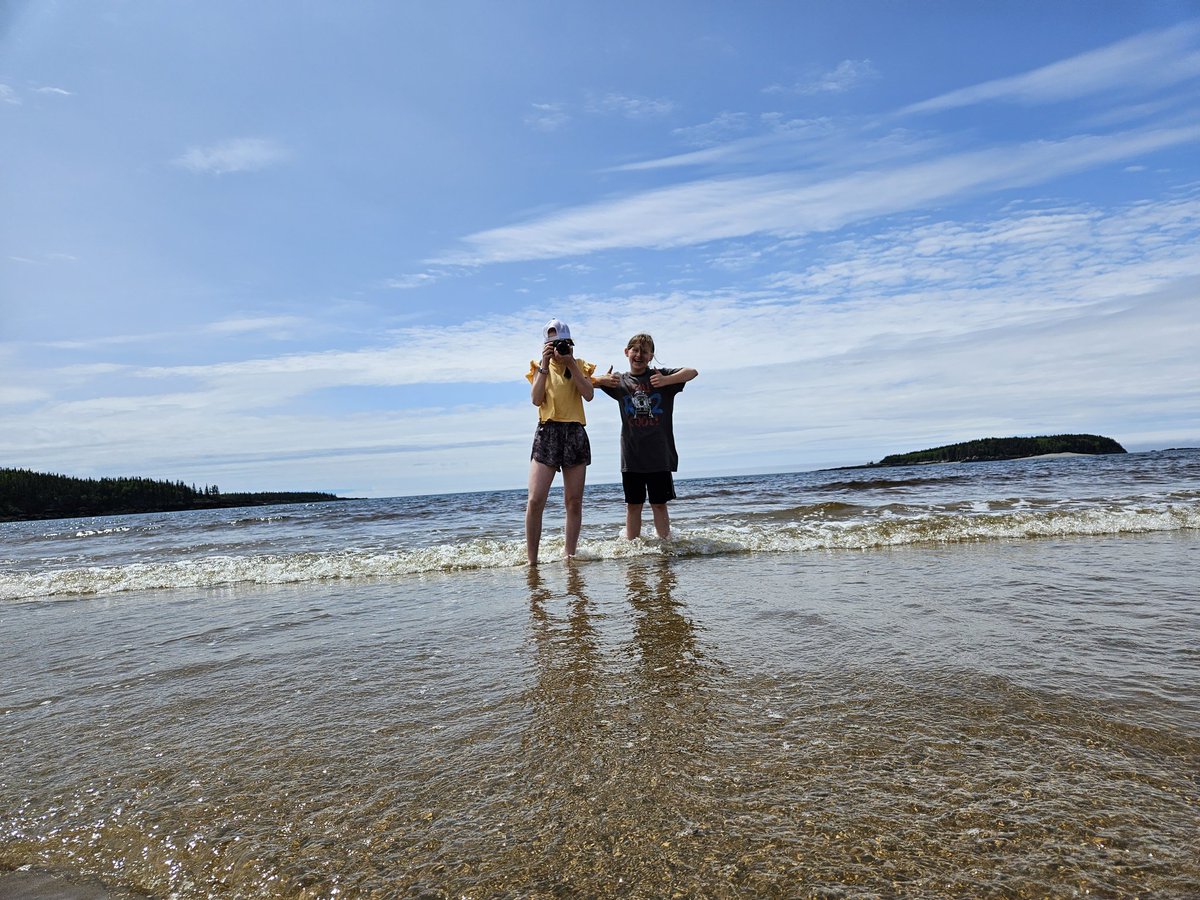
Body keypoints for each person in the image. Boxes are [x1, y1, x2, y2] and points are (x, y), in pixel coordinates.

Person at [593, 333, 697, 540]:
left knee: (659, 504)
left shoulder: (660, 377)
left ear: (651, 356)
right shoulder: (619, 381)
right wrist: (601, 379)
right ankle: (632, 550)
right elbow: (584, 384)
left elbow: (692, 372)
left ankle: (666, 546)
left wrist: (667, 380)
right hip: (632, 456)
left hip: (659, 454)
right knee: (633, 505)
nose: (639, 355)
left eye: (644, 351)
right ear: (626, 352)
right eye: (635, 350)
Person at [525, 318, 596, 565]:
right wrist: (545, 364)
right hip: (548, 432)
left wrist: (571, 364)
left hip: (574, 432)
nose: (558, 349)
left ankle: (570, 555)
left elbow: (588, 395)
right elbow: (536, 399)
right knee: (535, 500)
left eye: (562, 344)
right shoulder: (538, 367)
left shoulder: (580, 365)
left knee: (573, 501)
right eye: (552, 344)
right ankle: (532, 560)